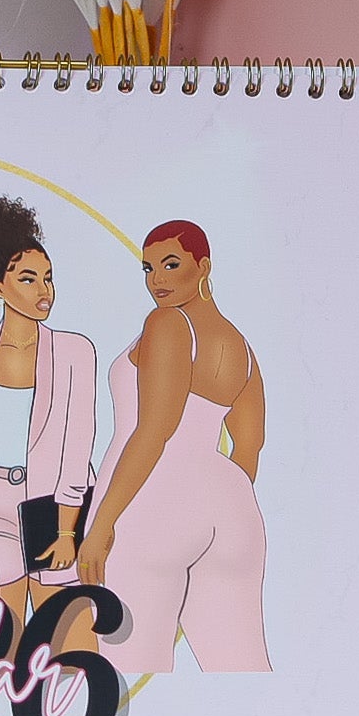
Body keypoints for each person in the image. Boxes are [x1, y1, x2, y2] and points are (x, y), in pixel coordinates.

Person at [76, 220, 270, 673]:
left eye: (170, 264)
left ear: (202, 266)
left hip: (149, 504)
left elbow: (153, 430)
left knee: (130, 668)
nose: (157, 280)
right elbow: (250, 447)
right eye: (148, 269)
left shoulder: (166, 323)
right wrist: (215, 504)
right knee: (240, 665)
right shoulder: (241, 347)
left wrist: (102, 524)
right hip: (232, 508)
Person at [0, 196, 97, 657]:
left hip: (54, 504)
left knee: (72, 647)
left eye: (48, 277)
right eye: (28, 278)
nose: (43, 290)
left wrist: (69, 530)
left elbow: (79, 444)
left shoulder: (75, 352)